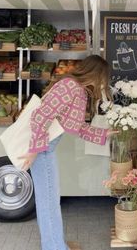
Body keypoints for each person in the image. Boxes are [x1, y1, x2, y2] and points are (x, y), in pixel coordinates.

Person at [19, 55, 116, 250]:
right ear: (95, 74)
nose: (104, 83)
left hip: (44, 150)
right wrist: (33, 152)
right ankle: (55, 247)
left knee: (50, 201)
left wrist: (104, 134)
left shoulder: (75, 88)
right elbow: (40, 116)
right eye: (103, 77)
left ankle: (56, 244)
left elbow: (76, 127)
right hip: (42, 151)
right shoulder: (71, 87)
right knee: (48, 203)